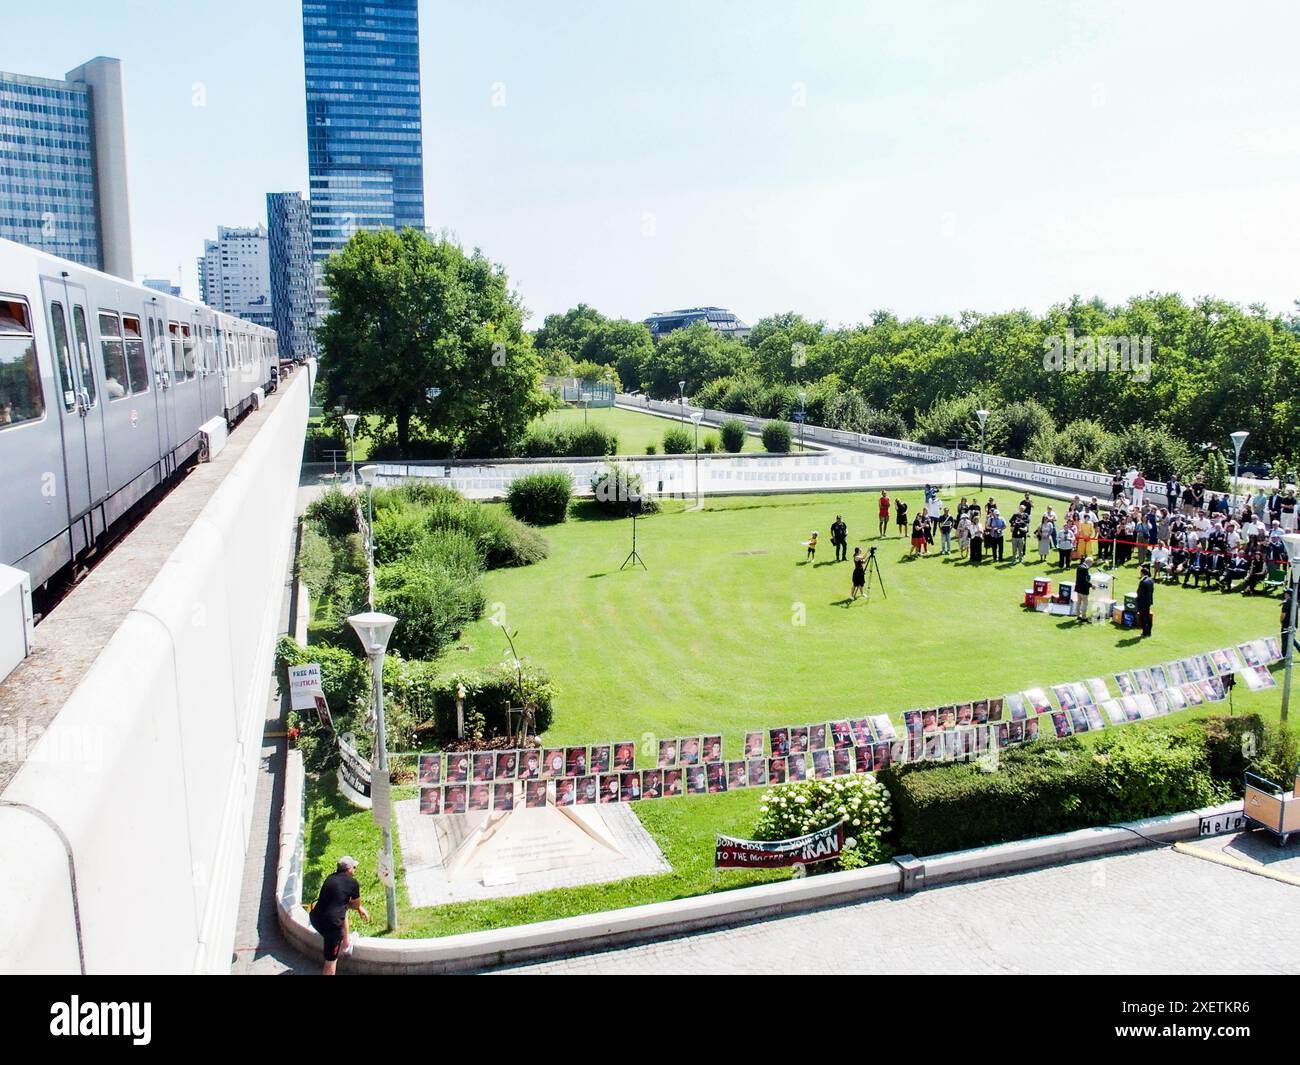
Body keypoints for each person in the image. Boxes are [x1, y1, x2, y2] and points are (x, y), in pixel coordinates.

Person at [309, 856, 368, 976]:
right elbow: (356, 904)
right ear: (349, 870)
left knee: (343, 910)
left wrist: (357, 907)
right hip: (331, 927)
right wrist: (359, 908)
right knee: (331, 962)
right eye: (354, 867)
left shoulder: (330, 878)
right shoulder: (353, 883)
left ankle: (346, 944)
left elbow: (342, 902)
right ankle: (342, 946)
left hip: (315, 918)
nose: (355, 870)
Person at [1136, 565, 1155, 637]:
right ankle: (1149, 632)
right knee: (1147, 616)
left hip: (1142, 602)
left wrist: (1137, 599)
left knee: (1142, 617)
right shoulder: (1151, 580)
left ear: (1142, 573)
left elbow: (1139, 592)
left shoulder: (1143, 582)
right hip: (1148, 601)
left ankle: (1144, 632)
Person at [1075, 557, 1093, 623]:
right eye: (1091, 563)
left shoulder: (1079, 566)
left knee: (1078, 602)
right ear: (1089, 562)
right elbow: (1084, 580)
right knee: (1085, 603)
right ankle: (1084, 617)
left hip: (1078, 587)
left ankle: (1078, 615)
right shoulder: (1085, 569)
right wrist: (1091, 585)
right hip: (1083, 589)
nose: (1091, 565)